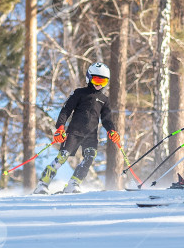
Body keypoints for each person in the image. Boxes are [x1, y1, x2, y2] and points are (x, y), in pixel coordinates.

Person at [33, 62, 121, 194]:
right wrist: (60, 127)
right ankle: (42, 184)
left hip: (91, 135)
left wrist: (112, 130)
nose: (99, 84)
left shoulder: (104, 99)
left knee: (90, 157)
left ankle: (74, 183)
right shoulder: (79, 93)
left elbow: (107, 119)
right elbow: (65, 110)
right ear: (89, 78)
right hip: (74, 132)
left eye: (103, 81)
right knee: (62, 157)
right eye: (96, 79)